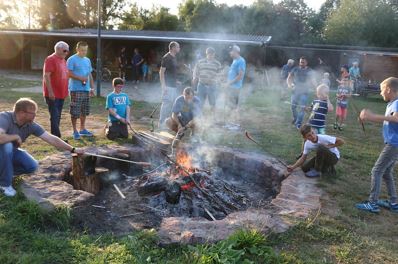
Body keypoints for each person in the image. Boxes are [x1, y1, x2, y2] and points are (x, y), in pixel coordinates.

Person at [0, 98, 84, 197]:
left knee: (32, 166)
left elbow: (51, 139)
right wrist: (15, 137)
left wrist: (73, 149)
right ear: (22, 113)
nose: (35, 115)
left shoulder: (30, 125)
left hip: (10, 154)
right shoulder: (4, 117)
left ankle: (5, 174)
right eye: (33, 113)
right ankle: (5, 184)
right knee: (7, 145)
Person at [355, 77, 398, 213]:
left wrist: (372, 116)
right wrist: (367, 118)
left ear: (389, 89)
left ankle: (372, 203)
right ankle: (394, 202)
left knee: (377, 171)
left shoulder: (397, 103)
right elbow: (388, 121)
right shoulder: (391, 103)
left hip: (394, 144)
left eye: (381, 90)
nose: (380, 93)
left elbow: (396, 119)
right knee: (386, 172)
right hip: (393, 143)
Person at [67, 41, 95, 140]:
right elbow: (68, 74)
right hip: (75, 89)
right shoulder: (71, 59)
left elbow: (90, 75)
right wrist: (80, 78)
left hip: (86, 89)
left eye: (85, 50)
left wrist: (91, 88)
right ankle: (75, 131)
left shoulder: (87, 60)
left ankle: (82, 129)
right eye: (82, 50)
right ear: (77, 49)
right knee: (75, 111)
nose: (84, 52)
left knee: (84, 110)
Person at [42, 41, 70, 139]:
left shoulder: (63, 60)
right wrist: (50, 92)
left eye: (67, 51)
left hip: (61, 93)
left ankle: (56, 138)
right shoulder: (50, 59)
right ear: (58, 49)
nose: (66, 53)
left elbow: (65, 76)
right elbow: (46, 75)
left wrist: (66, 91)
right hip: (53, 94)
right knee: (54, 116)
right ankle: (56, 137)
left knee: (57, 116)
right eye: (65, 50)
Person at [287, 57, 317, 129]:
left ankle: (298, 123)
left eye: (303, 62)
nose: (301, 63)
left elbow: (313, 81)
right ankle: (296, 118)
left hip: (304, 92)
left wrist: (317, 89)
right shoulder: (295, 69)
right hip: (295, 91)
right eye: (300, 62)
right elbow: (289, 78)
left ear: (306, 63)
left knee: (302, 108)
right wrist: (289, 85)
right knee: (293, 107)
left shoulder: (309, 70)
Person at [192, 47, 222, 113]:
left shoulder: (217, 63)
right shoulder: (200, 62)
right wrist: (194, 77)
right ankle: (199, 117)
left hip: (212, 86)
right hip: (201, 85)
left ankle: (213, 118)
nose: (210, 55)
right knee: (200, 102)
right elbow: (195, 71)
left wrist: (219, 81)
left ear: (214, 54)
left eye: (212, 54)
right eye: (209, 54)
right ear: (206, 54)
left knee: (213, 103)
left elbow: (220, 75)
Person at [159, 41, 181, 129]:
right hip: (167, 86)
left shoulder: (174, 57)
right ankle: (161, 124)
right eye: (178, 47)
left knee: (173, 105)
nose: (179, 48)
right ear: (173, 48)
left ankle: (168, 123)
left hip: (173, 85)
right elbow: (161, 72)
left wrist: (176, 81)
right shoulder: (166, 57)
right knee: (166, 105)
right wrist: (163, 86)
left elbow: (171, 72)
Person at [225, 45, 246, 125]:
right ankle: (231, 123)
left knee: (233, 106)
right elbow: (233, 74)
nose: (230, 53)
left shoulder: (241, 61)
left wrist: (229, 83)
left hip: (235, 88)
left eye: (231, 51)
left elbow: (240, 76)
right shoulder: (234, 60)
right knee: (230, 105)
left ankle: (234, 124)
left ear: (236, 52)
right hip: (231, 87)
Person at [334, 65, 352, 131]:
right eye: (343, 80)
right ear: (342, 81)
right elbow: (337, 94)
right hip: (339, 103)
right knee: (338, 114)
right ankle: (335, 122)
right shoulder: (339, 87)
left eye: (346, 81)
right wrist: (339, 95)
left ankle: (340, 125)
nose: (345, 82)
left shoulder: (349, 88)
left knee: (343, 116)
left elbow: (350, 95)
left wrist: (346, 95)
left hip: (345, 104)